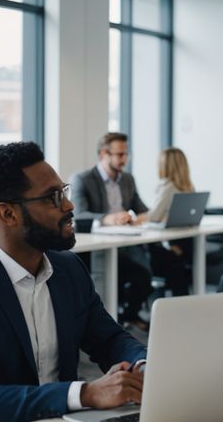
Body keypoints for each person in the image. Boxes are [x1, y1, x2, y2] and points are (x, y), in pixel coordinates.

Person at [0, 142, 147, 422]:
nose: (69, 205)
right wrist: (83, 393)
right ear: (9, 214)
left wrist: (145, 366)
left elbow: (108, 338)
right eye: (53, 197)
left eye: (63, 192)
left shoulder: (69, 269)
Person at [69, 132, 154, 330]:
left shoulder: (127, 180)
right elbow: (79, 215)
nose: (124, 159)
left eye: (125, 154)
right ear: (103, 155)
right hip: (96, 247)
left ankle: (127, 316)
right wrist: (108, 218)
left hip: (125, 242)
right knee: (116, 279)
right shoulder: (83, 179)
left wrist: (139, 217)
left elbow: (142, 209)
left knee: (144, 276)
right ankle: (106, 325)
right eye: (119, 154)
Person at [146, 147, 195, 296]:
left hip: (171, 246)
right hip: (187, 245)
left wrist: (135, 218)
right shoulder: (189, 186)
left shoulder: (168, 187)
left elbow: (153, 216)